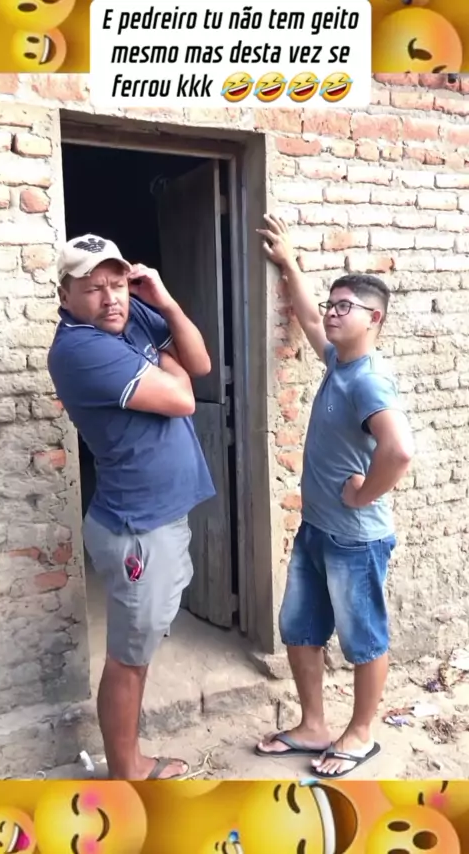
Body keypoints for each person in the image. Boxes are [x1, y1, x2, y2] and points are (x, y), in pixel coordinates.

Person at [48, 234, 215, 780]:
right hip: (136, 528)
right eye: (93, 288)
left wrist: (164, 302)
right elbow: (184, 398)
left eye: (117, 284)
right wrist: (167, 361)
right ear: (65, 295)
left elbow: (199, 363)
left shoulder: (135, 313)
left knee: (138, 649)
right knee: (128, 658)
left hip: (158, 518)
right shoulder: (79, 348)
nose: (111, 298)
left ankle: (130, 764)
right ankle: (127, 774)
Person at [255, 214, 414, 779]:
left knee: (363, 639)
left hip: (355, 538)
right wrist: (289, 262)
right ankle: (313, 725)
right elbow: (304, 314)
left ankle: (362, 734)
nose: (332, 312)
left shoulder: (368, 379)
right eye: (332, 303)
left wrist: (364, 493)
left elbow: (399, 449)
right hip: (317, 530)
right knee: (300, 628)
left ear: (375, 318)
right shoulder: (337, 363)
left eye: (345, 306)